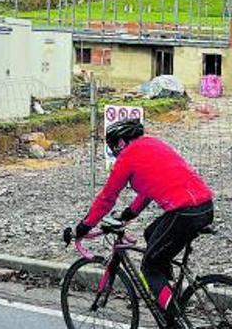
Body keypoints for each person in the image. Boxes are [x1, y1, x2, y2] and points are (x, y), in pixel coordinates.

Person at [64, 118, 214, 320]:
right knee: (150, 233)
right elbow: (149, 189)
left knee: (149, 266)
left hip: (183, 213)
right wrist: (129, 214)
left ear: (120, 142)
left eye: (112, 146)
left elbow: (106, 198)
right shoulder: (155, 144)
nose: (114, 151)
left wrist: (83, 227)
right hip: (204, 207)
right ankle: (165, 291)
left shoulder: (127, 157)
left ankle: (174, 318)